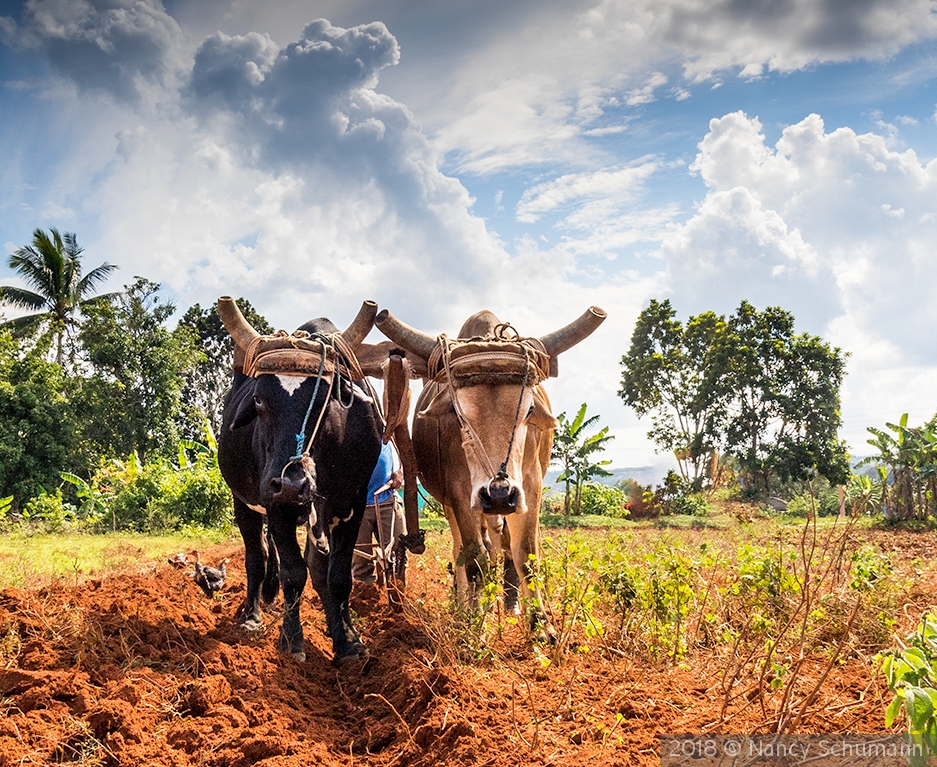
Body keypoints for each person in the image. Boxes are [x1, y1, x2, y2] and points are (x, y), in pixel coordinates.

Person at [352, 440, 406, 585]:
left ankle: (397, 598)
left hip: (387, 497)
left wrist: (400, 471)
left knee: (398, 552)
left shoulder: (386, 423)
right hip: (357, 504)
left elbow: (404, 445)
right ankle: (365, 600)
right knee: (360, 562)